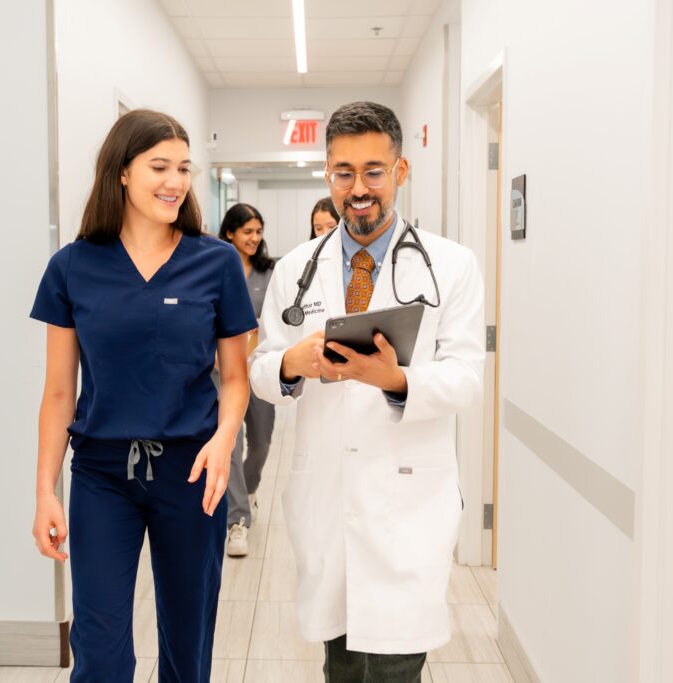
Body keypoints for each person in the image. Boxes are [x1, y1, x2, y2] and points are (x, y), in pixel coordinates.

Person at [250, 101, 485, 682]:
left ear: (401, 172)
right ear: (327, 173)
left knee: (397, 666)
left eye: (374, 172)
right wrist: (292, 363)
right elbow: (260, 370)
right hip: (326, 495)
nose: (359, 189)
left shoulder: (452, 266)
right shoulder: (296, 269)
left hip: (408, 500)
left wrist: (397, 380)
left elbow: (465, 377)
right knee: (342, 664)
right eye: (343, 172)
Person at [30, 109, 256, 683]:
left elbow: (235, 377)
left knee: (187, 642)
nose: (175, 181)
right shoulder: (72, 267)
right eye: (159, 166)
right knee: (101, 653)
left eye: (183, 167)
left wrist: (224, 440)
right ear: (122, 173)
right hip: (102, 474)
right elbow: (60, 392)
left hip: (192, 471)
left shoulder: (216, 262)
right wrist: (45, 491)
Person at [217, 203, 276, 556]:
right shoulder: (217, 268)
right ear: (230, 233)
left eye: (258, 231)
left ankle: (248, 488)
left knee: (263, 442)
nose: (254, 238)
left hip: (260, 370)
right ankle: (237, 521)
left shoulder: (270, 273)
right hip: (222, 372)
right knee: (231, 444)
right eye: (247, 231)